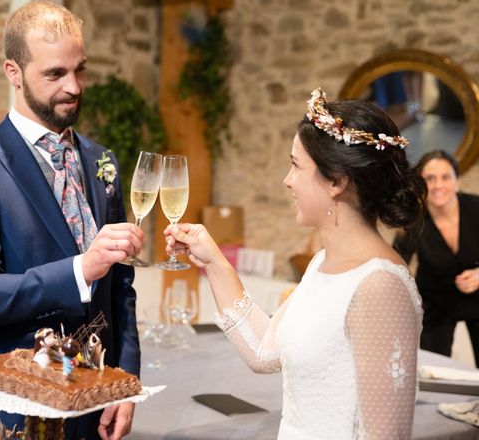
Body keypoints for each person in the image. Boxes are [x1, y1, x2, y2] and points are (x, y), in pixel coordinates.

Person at [165, 88, 426, 439]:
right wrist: (214, 261)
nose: (287, 181)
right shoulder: (321, 264)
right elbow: (264, 351)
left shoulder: (380, 286)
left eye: (295, 165)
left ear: (336, 181)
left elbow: (385, 435)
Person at [0, 1, 143, 440]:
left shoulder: (101, 160)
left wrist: (126, 383)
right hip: (15, 404)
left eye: (80, 70)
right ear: (13, 71)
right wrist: (79, 270)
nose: (73, 87)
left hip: (94, 399)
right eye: (55, 74)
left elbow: (121, 290)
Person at [394, 150, 479, 366]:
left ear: (457, 181)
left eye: (445, 177)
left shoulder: (475, 207)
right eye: (430, 179)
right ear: (421, 185)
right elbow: (395, 265)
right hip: (435, 303)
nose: (438, 185)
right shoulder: (413, 221)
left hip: (477, 297)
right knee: (436, 368)